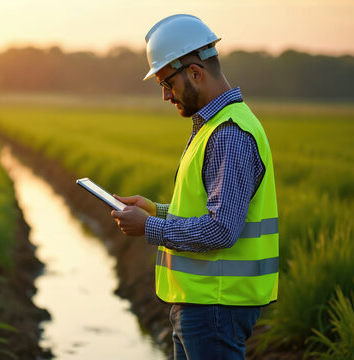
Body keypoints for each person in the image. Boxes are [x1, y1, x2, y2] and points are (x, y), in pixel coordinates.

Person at [110, 14, 279, 360]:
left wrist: (149, 227)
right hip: (204, 305)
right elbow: (211, 210)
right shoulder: (214, 127)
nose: (164, 95)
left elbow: (220, 229)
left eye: (166, 83)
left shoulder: (229, 133)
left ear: (195, 73)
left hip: (216, 307)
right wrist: (155, 211)